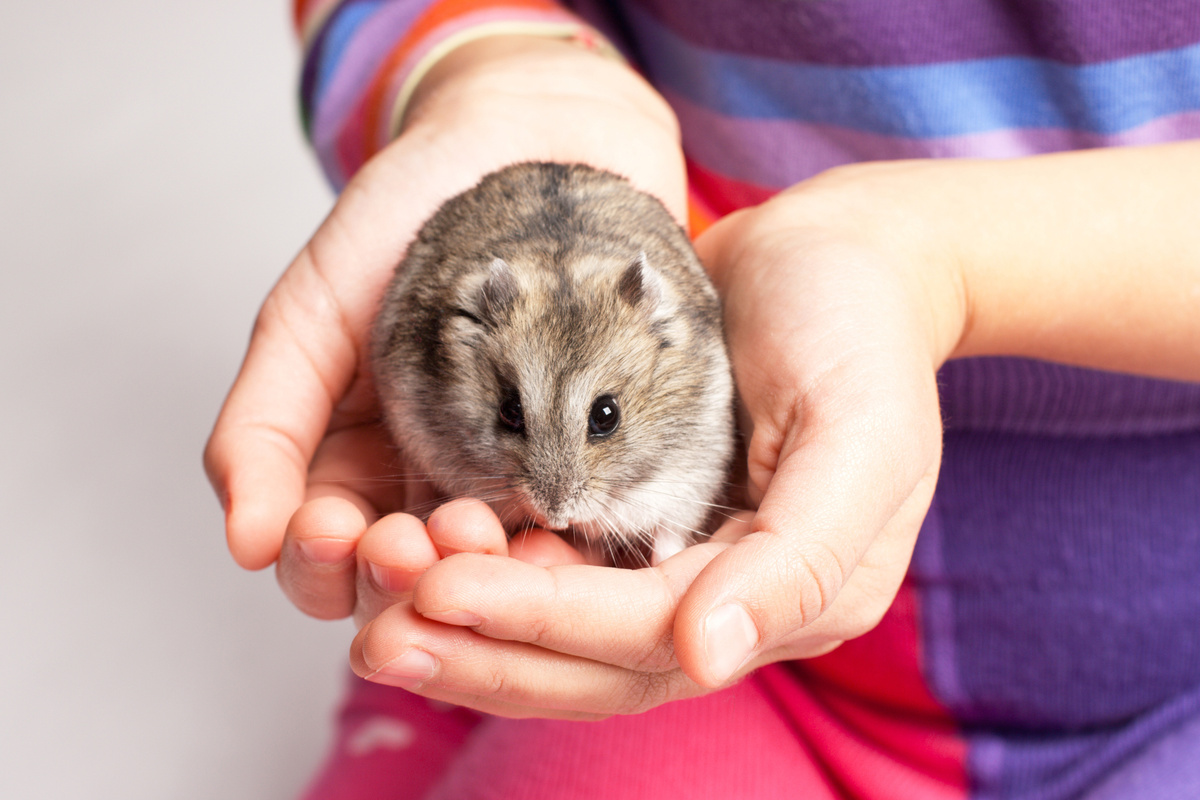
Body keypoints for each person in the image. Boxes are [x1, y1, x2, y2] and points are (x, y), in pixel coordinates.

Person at [205, 1, 1200, 797]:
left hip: (1174, 679)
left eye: (600, 417)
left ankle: (451, 705)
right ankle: (460, 688)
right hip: (749, 667)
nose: (554, 489)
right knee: (504, 648)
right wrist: (495, 65)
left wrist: (938, 263)